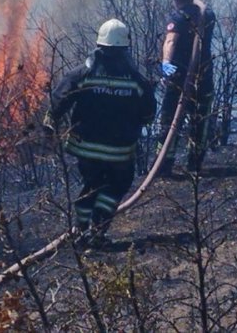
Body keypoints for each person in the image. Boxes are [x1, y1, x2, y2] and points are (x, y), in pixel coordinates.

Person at [44, 19, 157, 248]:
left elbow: (60, 97)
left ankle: (80, 230)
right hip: (119, 151)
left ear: (99, 45)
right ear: (125, 48)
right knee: (117, 185)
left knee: (91, 184)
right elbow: (149, 111)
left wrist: (50, 121)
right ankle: (98, 229)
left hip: (84, 146)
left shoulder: (84, 73)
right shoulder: (135, 79)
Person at [157, 0, 217, 175]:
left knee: (170, 118)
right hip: (204, 75)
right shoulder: (207, 15)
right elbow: (201, 4)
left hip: (179, 76)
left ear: (175, 0)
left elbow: (170, 41)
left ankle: (164, 163)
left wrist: (166, 63)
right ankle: (195, 163)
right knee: (200, 119)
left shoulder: (178, 17)